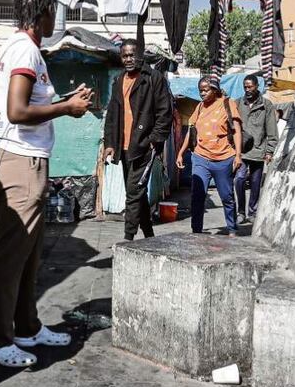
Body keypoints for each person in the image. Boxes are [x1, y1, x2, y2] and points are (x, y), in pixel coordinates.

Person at [0, 0, 92, 368]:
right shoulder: (26, 50)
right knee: (12, 258)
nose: (53, 19)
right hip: (20, 162)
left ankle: (27, 327)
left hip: (26, 160)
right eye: (52, 12)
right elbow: (17, 110)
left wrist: (65, 102)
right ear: (42, 12)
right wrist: (67, 110)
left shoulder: (16, 48)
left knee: (28, 255)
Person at [102, 40, 173, 241]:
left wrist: (155, 140)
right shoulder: (118, 80)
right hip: (124, 147)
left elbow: (164, 112)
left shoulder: (153, 78)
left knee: (133, 192)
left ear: (139, 55)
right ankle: (149, 234)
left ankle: (128, 238)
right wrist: (109, 143)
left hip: (144, 146)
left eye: (132, 55)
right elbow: (112, 115)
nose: (128, 59)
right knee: (137, 192)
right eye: (125, 56)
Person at [176, 76, 243, 236]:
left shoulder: (228, 104)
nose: (202, 93)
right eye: (200, 91)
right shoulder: (199, 107)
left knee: (226, 196)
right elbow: (192, 131)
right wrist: (180, 152)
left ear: (214, 89)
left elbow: (237, 131)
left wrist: (238, 155)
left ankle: (232, 229)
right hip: (200, 158)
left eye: (206, 90)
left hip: (224, 158)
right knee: (197, 195)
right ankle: (196, 230)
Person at [234, 74, 278, 223]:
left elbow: (271, 129)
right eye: (245, 87)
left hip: (259, 150)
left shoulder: (266, 105)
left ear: (256, 86)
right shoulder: (238, 103)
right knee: (239, 179)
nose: (247, 90)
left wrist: (270, 150)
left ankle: (252, 212)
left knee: (255, 183)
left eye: (250, 87)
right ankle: (241, 211)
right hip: (241, 151)